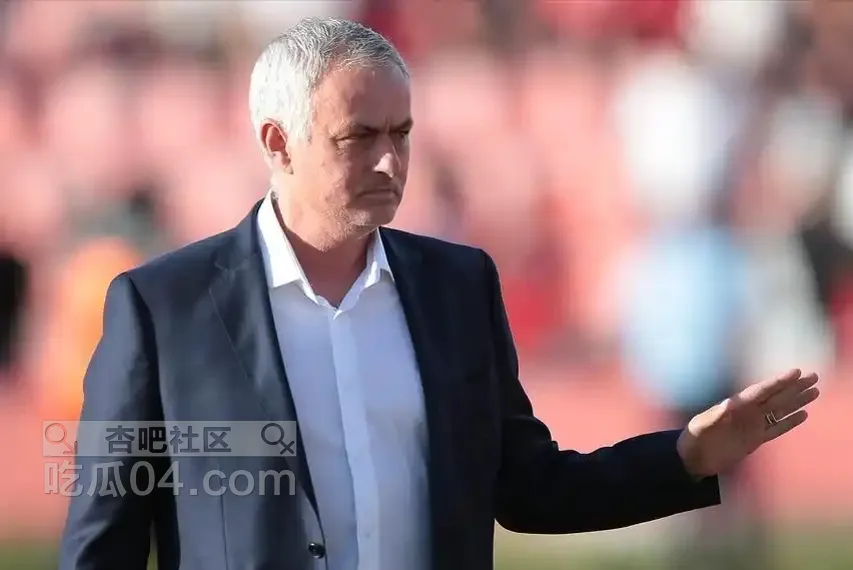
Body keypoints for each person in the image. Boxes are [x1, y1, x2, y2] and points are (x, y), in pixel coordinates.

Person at [58, 17, 821, 570]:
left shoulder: (456, 289)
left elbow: (528, 487)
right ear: (277, 142)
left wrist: (685, 455)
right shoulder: (162, 309)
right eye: (359, 137)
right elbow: (103, 542)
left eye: (401, 134)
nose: (390, 162)